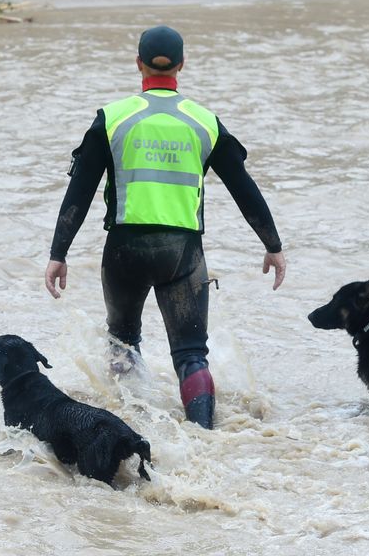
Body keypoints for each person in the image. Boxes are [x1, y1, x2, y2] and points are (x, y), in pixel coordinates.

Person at [44, 25, 286, 430]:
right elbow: (244, 187)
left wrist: (58, 253)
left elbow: (79, 191)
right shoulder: (204, 122)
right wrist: (273, 245)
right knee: (192, 354)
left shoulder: (113, 118)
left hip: (124, 249)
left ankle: (134, 430)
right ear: (182, 66)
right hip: (183, 254)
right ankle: (205, 442)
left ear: (138, 63)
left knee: (123, 344)